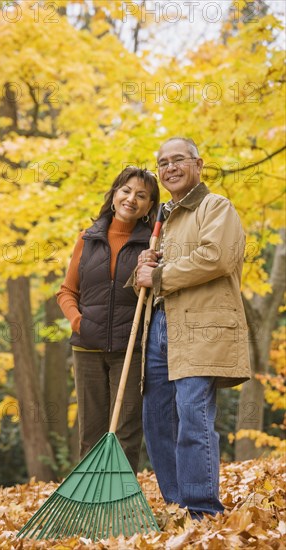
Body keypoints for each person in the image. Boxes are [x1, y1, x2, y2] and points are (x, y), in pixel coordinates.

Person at [134, 137, 251, 518]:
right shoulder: (163, 219)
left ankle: (203, 511)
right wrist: (143, 270)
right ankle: (178, 505)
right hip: (161, 325)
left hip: (202, 326)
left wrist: (161, 274)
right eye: (163, 162)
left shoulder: (216, 207)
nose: (169, 167)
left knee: (192, 416)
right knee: (156, 420)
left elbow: (215, 258)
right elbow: (152, 279)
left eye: (178, 159)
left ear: (198, 164)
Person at [56, 166, 160, 474]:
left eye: (142, 196)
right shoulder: (88, 239)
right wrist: (79, 323)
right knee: (91, 433)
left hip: (130, 351)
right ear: (114, 195)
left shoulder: (152, 246)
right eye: (126, 191)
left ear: (150, 206)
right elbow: (66, 292)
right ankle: (90, 503)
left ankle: (120, 505)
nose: (132, 199)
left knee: (125, 435)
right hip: (87, 349)